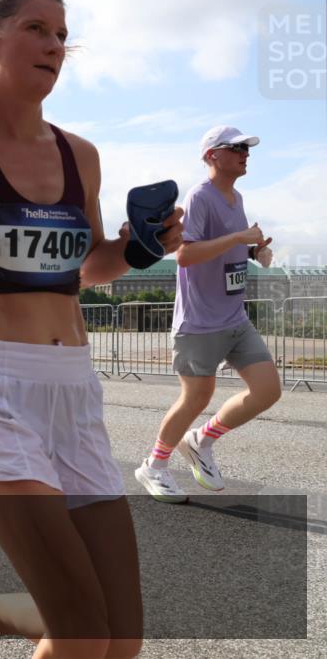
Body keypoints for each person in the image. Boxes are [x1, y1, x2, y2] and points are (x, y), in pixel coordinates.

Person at [0, 0, 183, 657]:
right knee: (84, 632)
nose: (56, 45)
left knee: (121, 641)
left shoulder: (79, 154)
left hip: (73, 394)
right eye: (35, 29)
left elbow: (85, 266)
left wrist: (144, 248)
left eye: (62, 33)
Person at [134, 126, 280, 503]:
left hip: (234, 316)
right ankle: (154, 465)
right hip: (199, 321)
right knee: (196, 397)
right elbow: (185, 255)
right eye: (237, 148)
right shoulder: (200, 196)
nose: (245, 154)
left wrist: (253, 253)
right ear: (212, 155)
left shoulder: (236, 197)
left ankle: (201, 439)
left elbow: (226, 249)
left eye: (247, 148)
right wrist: (237, 239)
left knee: (267, 391)